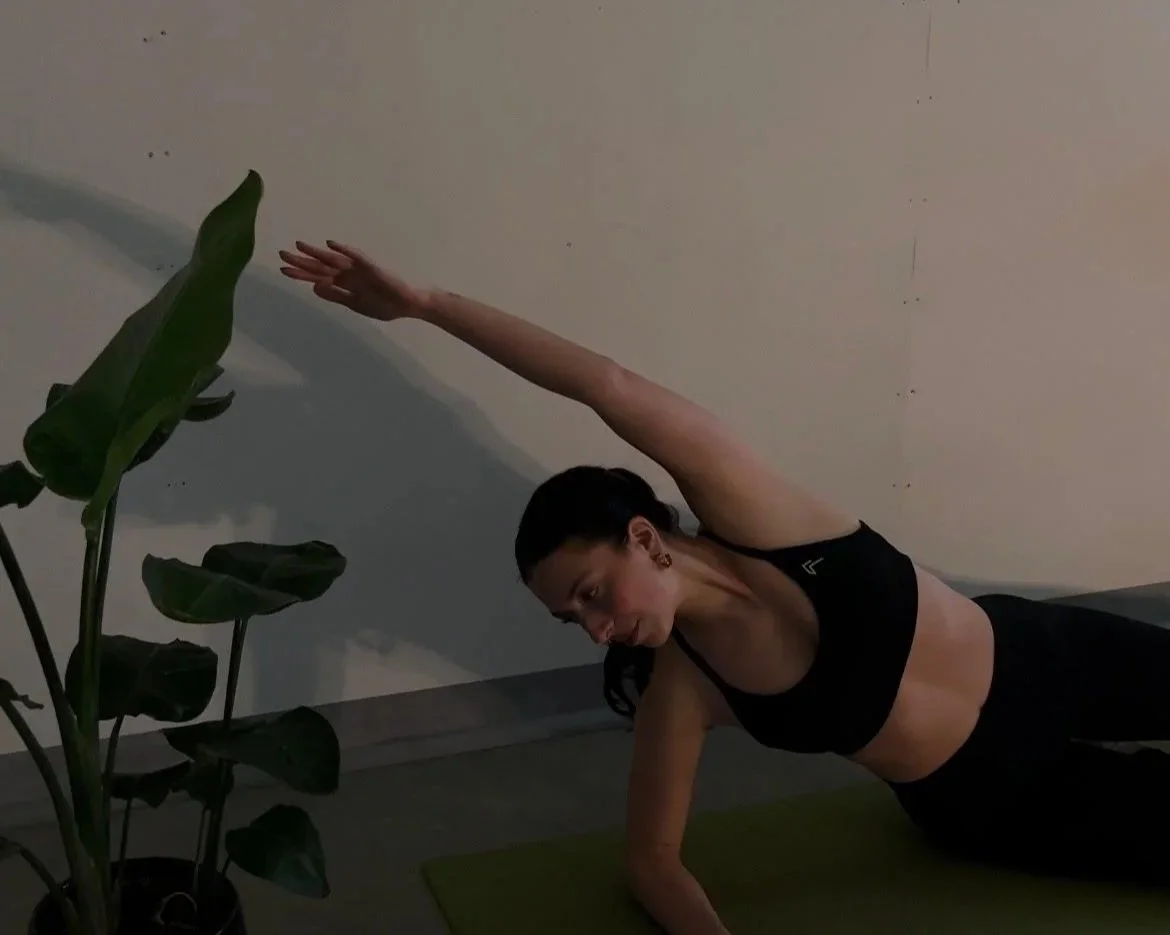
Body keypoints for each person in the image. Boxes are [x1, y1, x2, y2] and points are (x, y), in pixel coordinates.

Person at [280, 240, 1170, 934]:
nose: (595, 629)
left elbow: (606, 383)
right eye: (572, 619)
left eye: (591, 593)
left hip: (1049, 659)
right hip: (995, 795)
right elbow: (651, 859)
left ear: (643, 537)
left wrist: (430, 305)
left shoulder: (763, 518)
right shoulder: (689, 684)